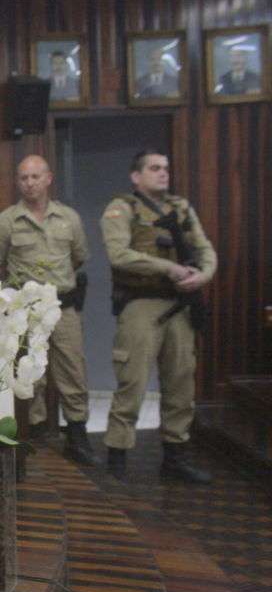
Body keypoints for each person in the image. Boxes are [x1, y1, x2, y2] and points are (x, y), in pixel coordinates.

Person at [100, 148, 217, 482]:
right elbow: (119, 254)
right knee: (132, 382)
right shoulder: (123, 209)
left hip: (180, 306)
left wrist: (202, 275)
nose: (163, 173)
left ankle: (175, 456)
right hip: (141, 304)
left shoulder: (181, 208)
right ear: (136, 176)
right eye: (154, 168)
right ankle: (118, 458)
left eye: (166, 167)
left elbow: (205, 249)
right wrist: (169, 268)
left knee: (181, 382)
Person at [0, 155, 94, 464]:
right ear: (18, 182)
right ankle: (34, 432)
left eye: (35, 177)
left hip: (63, 307)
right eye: (23, 178)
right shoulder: (6, 222)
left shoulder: (69, 218)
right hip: (26, 312)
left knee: (73, 368)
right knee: (30, 374)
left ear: (48, 179)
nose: (29, 183)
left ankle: (77, 434)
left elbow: (79, 256)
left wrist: (54, 284)